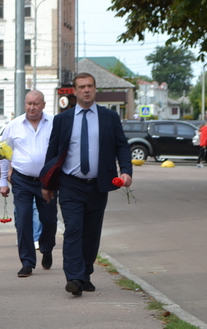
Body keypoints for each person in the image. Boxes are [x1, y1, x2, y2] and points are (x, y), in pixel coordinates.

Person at [39, 72, 132, 297]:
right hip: (71, 184)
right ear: (74, 91)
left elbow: (122, 146)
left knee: (91, 232)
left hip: (98, 184)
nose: (86, 90)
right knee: (73, 230)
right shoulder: (63, 120)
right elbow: (52, 153)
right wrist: (47, 184)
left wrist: (126, 171)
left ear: (95, 89)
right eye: (81, 87)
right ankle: (73, 277)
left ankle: (86, 273)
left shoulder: (109, 118)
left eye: (90, 86)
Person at [0, 90, 57, 277]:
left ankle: (46, 248)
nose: (32, 107)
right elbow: (4, 153)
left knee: (49, 220)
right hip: (22, 179)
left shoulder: (54, 123)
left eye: (36, 104)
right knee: (23, 219)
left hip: (47, 181)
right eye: (29, 103)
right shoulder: (14, 126)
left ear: (44, 105)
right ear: (25, 104)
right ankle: (27, 262)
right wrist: (2, 182)